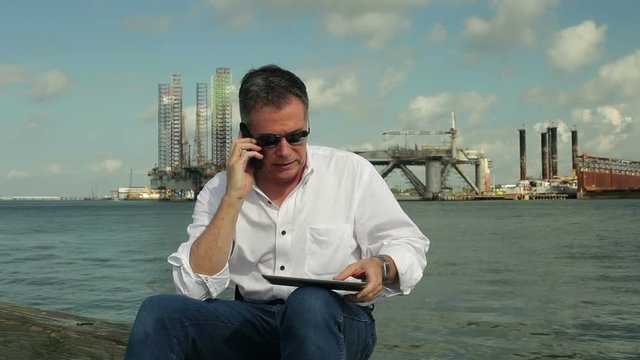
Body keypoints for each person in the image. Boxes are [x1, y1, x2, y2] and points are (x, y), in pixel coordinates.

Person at [125, 64, 429, 360]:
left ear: (308, 125)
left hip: (338, 320)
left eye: (296, 136)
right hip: (255, 322)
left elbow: (408, 246)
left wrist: (382, 265)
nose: (285, 151)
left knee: (308, 302)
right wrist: (234, 198)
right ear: (246, 136)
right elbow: (192, 289)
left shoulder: (351, 172)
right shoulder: (220, 189)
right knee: (159, 312)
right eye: (270, 140)